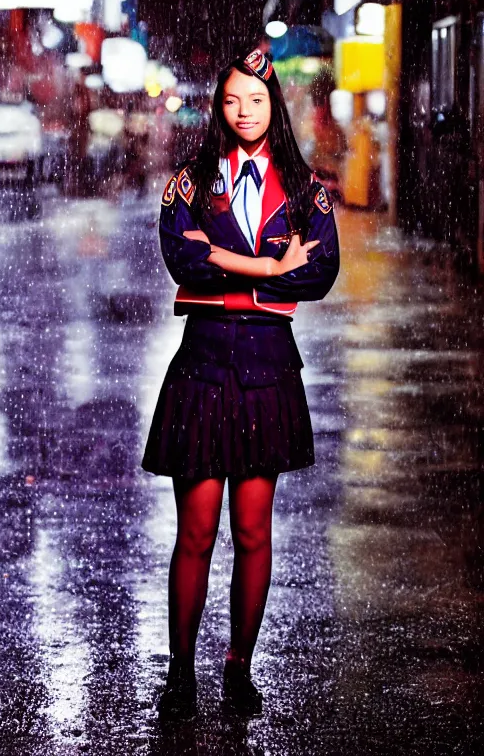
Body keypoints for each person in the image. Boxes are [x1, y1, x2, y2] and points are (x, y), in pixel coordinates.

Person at [142, 49, 339, 719]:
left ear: (272, 106)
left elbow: (321, 274)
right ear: (219, 108)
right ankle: (180, 673)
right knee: (194, 532)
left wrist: (226, 267)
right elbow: (181, 258)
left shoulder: (306, 187)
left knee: (254, 530)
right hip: (201, 368)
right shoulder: (189, 182)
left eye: (256, 100)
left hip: (266, 369)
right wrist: (270, 265)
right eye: (232, 101)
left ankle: (239, 667)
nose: (244, 111)